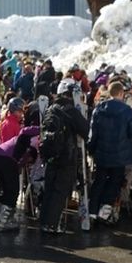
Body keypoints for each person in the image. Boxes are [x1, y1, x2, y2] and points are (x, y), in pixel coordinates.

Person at [39, 78, 88, 233]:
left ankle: (44, 221)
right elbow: (86, 131)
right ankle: (51, 224)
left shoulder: (51, 108)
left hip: (51, 155)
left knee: (50, 189)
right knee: (60, 191)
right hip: (67, 155)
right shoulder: (71, 110)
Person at [88, 81, 132, 224]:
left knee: (99, 181)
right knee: (115, 182)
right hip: (120, 153)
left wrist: (91, 149)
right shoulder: (127, 111)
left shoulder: (99, 109)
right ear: (121, 93)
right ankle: (105, 211)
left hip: (102, 152)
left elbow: (93, 133)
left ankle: (91, 212)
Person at [0, 126, 39, 231]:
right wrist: (42, 128)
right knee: (12, 190)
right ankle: (3, 221)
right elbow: (25, 131)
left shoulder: (18, 143)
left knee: (6, 189)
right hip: (6, 159)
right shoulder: (27, 142)